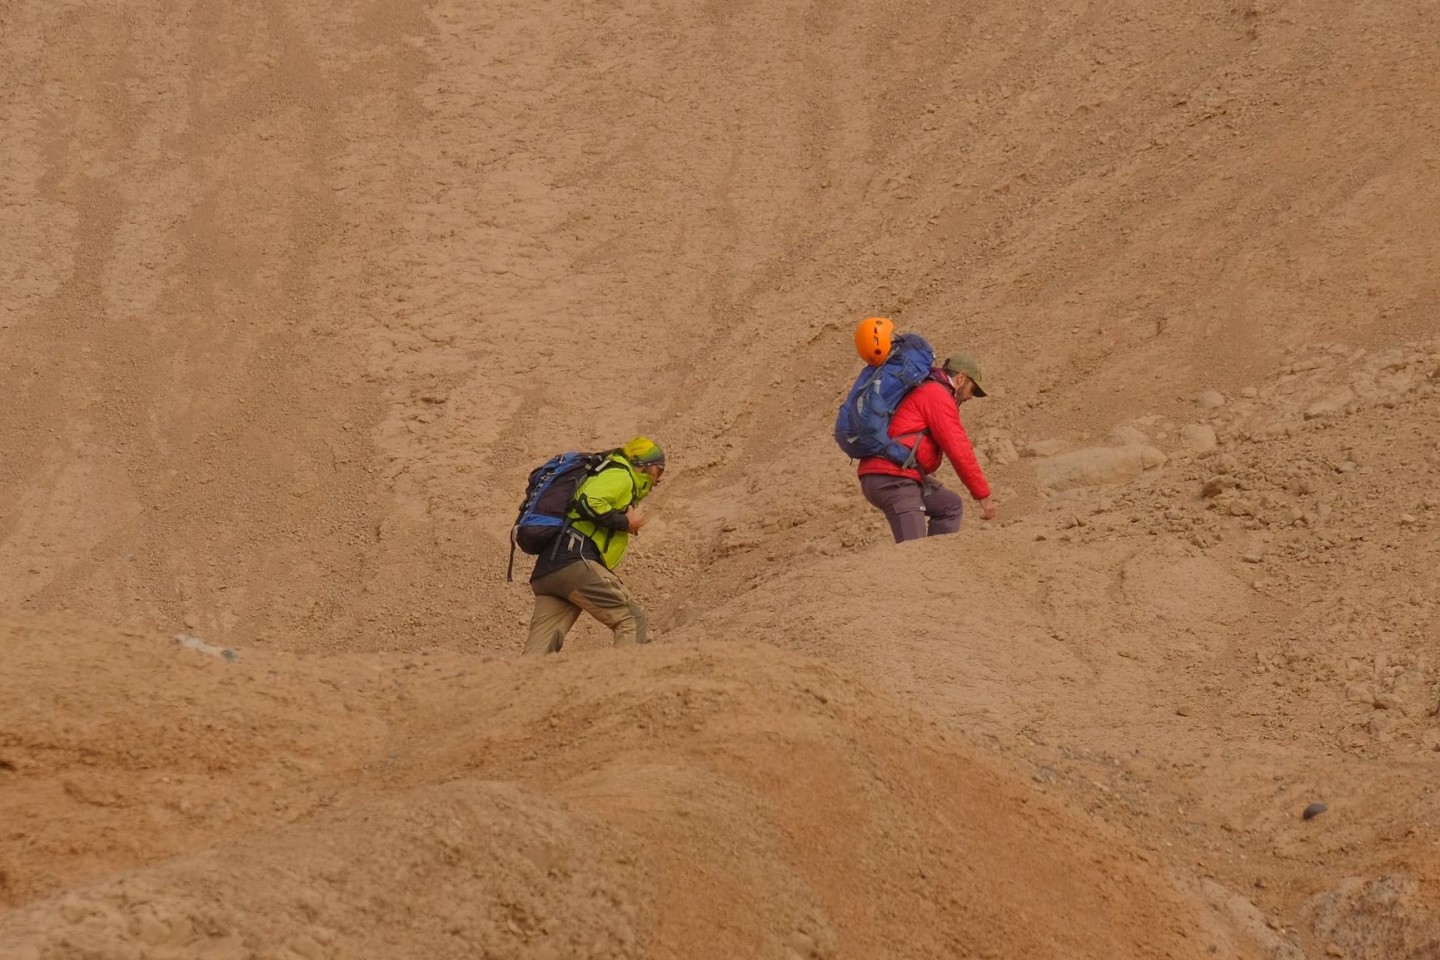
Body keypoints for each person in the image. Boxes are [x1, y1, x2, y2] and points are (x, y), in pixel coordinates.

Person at [524, 436, 665, 655]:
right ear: (645, 467)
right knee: (631, 619)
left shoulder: (608, 472)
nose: (660, 479)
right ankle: (625, 686)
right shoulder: (621, 475)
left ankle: (521, 687)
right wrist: (625, 522)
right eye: (660, 470)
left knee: (539, 651)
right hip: (573, 560)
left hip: (549, 571)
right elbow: (587, 502)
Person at [857, 354, 996, 542]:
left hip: (899, 475)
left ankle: (936, 566)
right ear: (961, 379)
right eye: (972, 389)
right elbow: (959, 449)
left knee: (950, 506)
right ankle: (921, 569)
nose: (971, 397)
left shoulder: (929, 390)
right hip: (892, 478)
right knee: (914, 552)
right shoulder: (937, 395)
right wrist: (983, 495)